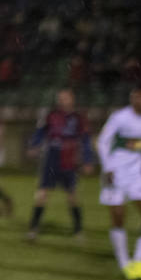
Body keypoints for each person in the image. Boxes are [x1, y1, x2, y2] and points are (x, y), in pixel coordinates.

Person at [26, 88, 94, 242]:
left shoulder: (79, 118)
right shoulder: (51, 115)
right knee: (42, 193)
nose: (61, 101)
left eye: (65, 98)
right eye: (60, 98)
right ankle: (33, 229)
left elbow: (85, 140)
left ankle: (78, 230)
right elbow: (41, 132)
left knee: (73, 196)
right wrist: (34, 145)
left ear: (72, 99)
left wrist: (88, 160)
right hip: (52, 157)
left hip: (69, 158)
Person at [96, 86, 141, 279]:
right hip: (116, 171)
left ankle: (139, 261)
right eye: (134, 97)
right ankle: (125, 264)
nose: (137, 100)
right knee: (118, 216)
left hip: (137, 173)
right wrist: (108, 167)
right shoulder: (120, 117)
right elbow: (102, 142)